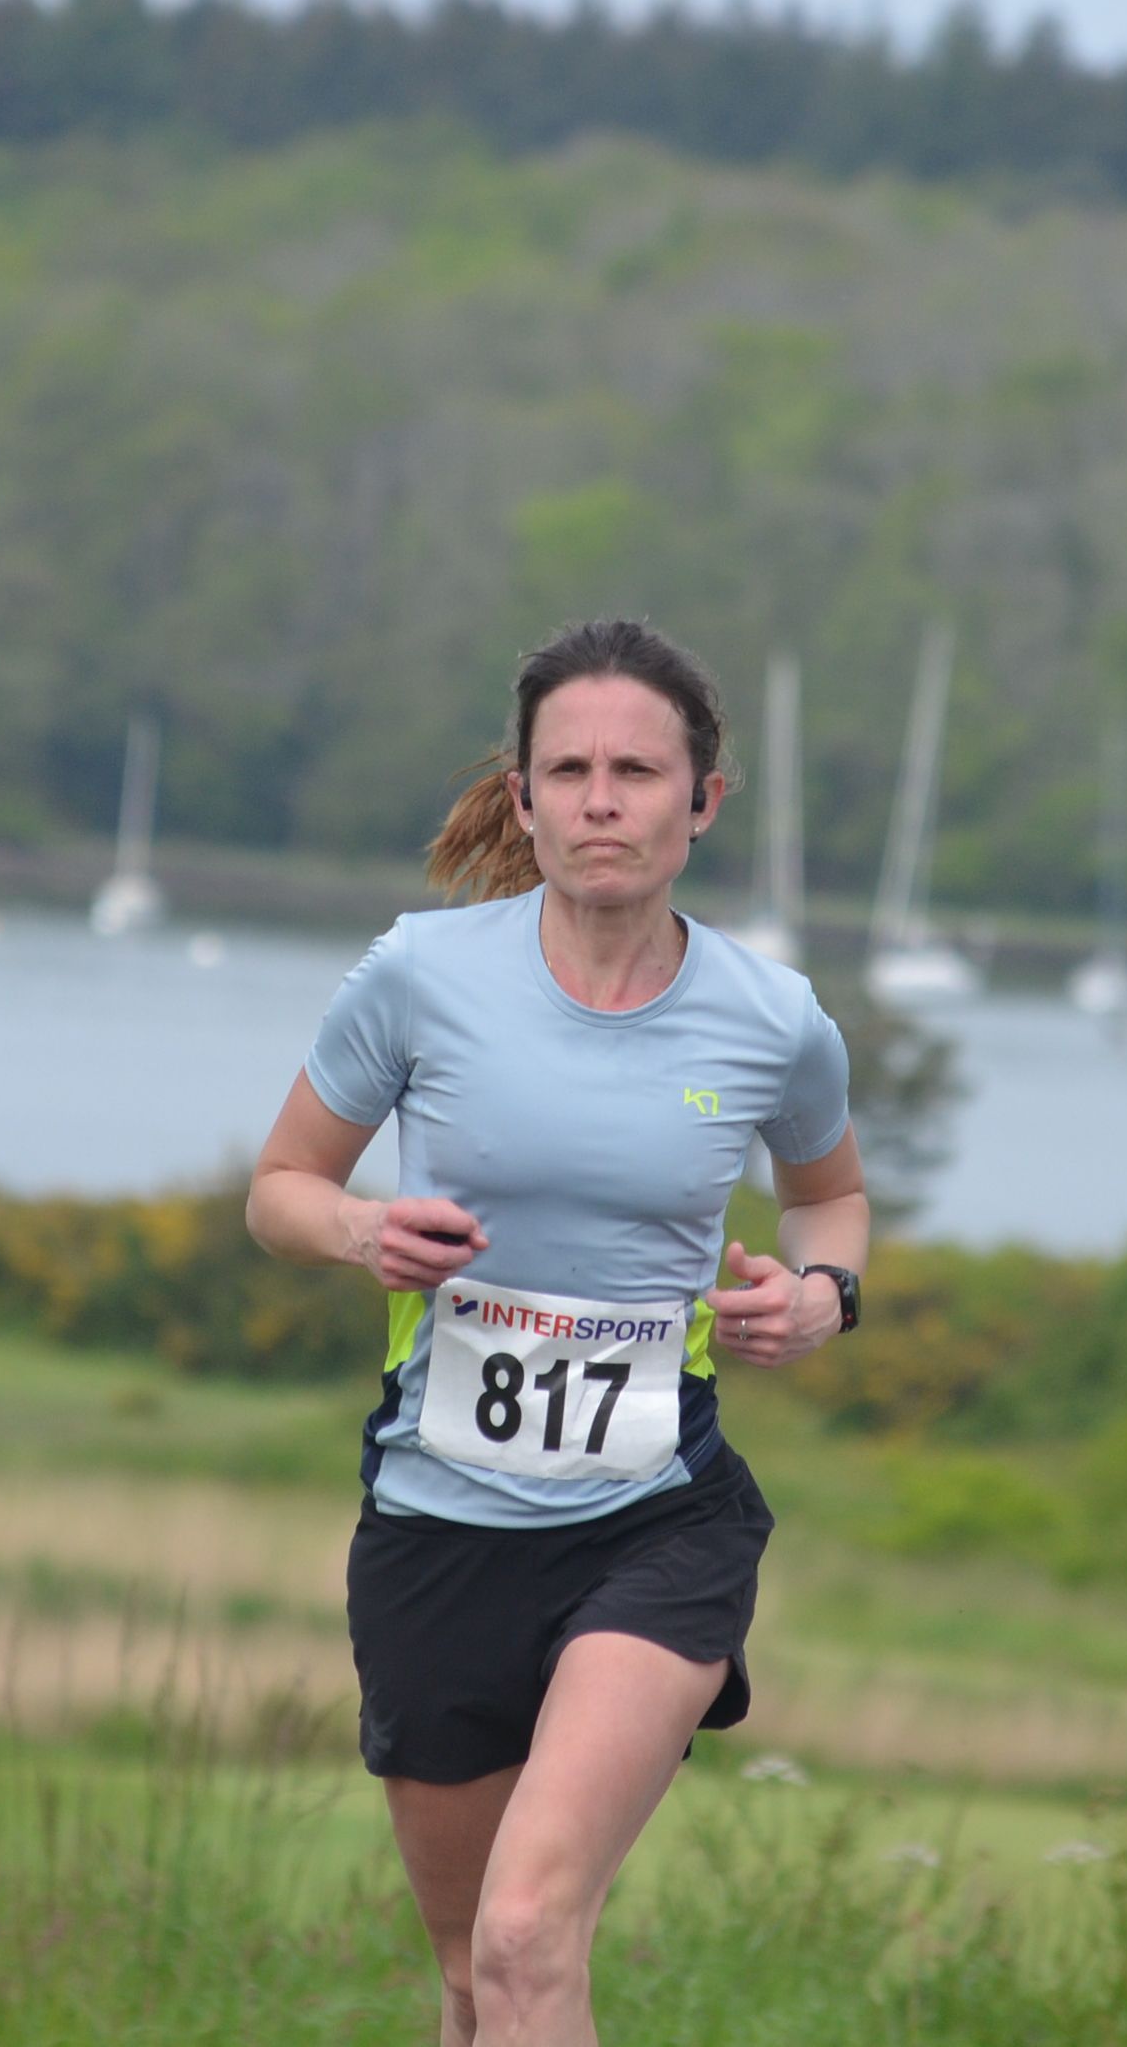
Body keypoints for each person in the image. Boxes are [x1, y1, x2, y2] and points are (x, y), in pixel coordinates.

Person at [247, 616, 869, 2047]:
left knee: (530, 1935)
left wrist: (821, 1296)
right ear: (523, 799)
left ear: (702, 802)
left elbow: (830, 1200)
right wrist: (362, 1232)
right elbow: (281, 1188)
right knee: (476, 1980)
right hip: (438, 1528)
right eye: (571, 772)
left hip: (656, 1520)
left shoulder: (774, 1020)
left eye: (637, 772)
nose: (603, 801)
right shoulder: (419, 976)